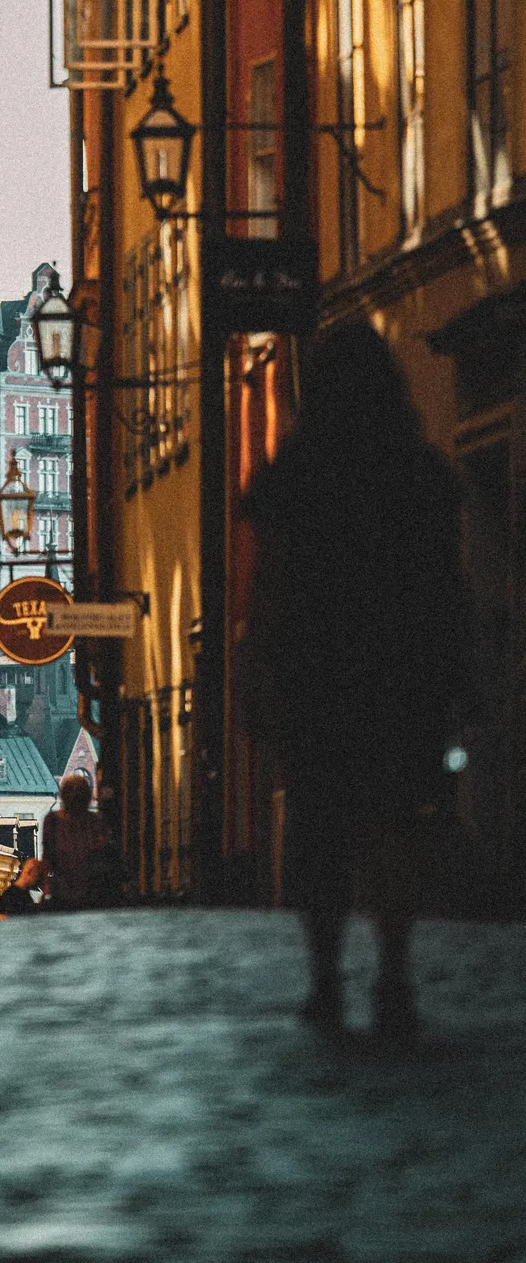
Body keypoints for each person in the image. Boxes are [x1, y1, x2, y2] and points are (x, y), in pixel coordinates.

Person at [239, 320, 470, 1042]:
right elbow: (447, 584)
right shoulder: (418, 471)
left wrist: (257, 668)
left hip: (319, 675)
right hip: (401, 675)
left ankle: (325, 977)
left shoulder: (299, 473)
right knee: (394, 823)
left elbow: (270, 583)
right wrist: (457, 673)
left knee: (321, 829)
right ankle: (394, 972)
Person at [42, 773, 114, 911]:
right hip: (89, 894)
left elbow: (47, 859)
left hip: (67, 892)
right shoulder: (96, 821)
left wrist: (47, 889)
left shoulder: (53, 821)